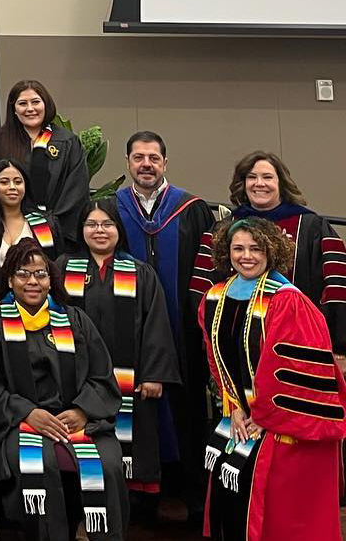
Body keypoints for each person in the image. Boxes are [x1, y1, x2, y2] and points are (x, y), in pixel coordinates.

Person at [0, 239, 127, 541]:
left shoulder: (75, 320)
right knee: (42, 465)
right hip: (16, 424)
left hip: (76, 420)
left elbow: (102, 376)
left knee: (107, 464)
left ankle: (93, 533)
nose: (32, 281)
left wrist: (82, 410)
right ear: (9, 280)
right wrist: (27, 413)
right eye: (23, 273)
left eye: (40, 274)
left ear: (51, 280)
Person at [197, 217, 346, 541]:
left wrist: (263, 418)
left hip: (279, 425)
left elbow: (294, 370)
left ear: (271, 251)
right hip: (237, 420)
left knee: (277, 520)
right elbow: (216, 357)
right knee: (228, 501)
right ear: (226, 252)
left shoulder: (288, 300)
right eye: (238, 248)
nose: (246, 256)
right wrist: (234, 405)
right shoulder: (214, 298)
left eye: (255, 248)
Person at [109, 130, 214, 517]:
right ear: (128, 163)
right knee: (137, 404)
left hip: (183, 329)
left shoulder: (191, 208)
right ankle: (142, 493)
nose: (146, 164)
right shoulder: (114, 208)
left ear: (165, 163)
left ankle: (189, 487)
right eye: (138, 158)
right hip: (131, 331)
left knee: (185, 403)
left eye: (153, 158)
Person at [57, 201, 180, 497]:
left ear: (118, 230)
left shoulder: (139, 272)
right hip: (76, 377)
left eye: (107, 224)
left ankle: (126, 508)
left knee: (130, 446)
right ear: (81, 230)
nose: (100, 231)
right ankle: (83, 505)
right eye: (91, 225)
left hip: (129, 378)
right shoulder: (63, 268)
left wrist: (154, 374)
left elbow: (156, 324)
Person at [193, 151, 346, 359]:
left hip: (300, 343)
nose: (259, 183)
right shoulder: (224, 228)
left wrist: (339, 345)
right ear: (243, 184)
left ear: (281, 183)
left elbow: (337, 287)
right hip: (235, 343)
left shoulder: (312, 227)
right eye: (251, 177)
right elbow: (202, 288)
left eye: (267, 177)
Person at [0, 80, 88, 248]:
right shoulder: (0, 140)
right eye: (22, 103)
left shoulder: (67, 141)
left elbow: (76, 188)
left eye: (35, 102)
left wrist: (53, 225)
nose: (30, 109)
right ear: (14, 109)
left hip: (57, 231)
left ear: (46, 104)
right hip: (11, 229)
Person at [0, 159, 60, 289]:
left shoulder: (45, 224)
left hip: (38, 301)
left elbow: (55, 269)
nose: (12, 187)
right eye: (4, 182)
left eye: (18, 182)